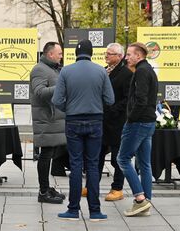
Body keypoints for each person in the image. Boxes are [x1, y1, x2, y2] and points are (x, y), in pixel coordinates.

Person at [52, 39, 114, 222]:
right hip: (95, 121)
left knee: (76, 164)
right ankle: (95, 211)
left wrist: (69, 109)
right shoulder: (101, 71)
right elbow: (110, 99)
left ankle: (73, 210)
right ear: (92, 53)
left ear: (76, 54)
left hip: (73, 122)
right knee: (93, 165)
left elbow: (56, 100)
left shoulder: (66, 71)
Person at [117, 42, 158, 217]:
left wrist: (131, 119)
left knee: (123, 159)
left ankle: (140, 199)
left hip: (139, 122)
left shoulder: (141, 71)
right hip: (148, 122)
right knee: (144, 164)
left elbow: (141, 99)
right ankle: (145, 202)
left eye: (129, 54)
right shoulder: (148, 69)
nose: (126, 58)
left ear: (139, 56)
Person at [30, 41, 66, 204]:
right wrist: (61, 86)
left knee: (49, 154)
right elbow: (39, 92)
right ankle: (43, 191)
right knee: (45, 155)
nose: (61, 56)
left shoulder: (52, 69)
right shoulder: (39, 69)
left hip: (53, 120)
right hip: (46, 119)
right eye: (59, 53)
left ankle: (46, 188)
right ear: (50, 54)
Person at [99, 43, 132, 201]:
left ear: (120, 56)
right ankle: (92, 185)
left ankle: (117, 188)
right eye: (106, 53)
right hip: (102, 122)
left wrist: (112, 110)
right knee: (97, 155)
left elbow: (127, 99)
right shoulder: (103, 70)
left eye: (110, 54)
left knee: (117, 158)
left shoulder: (126, 74)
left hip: (117, 123)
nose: (106, 56)